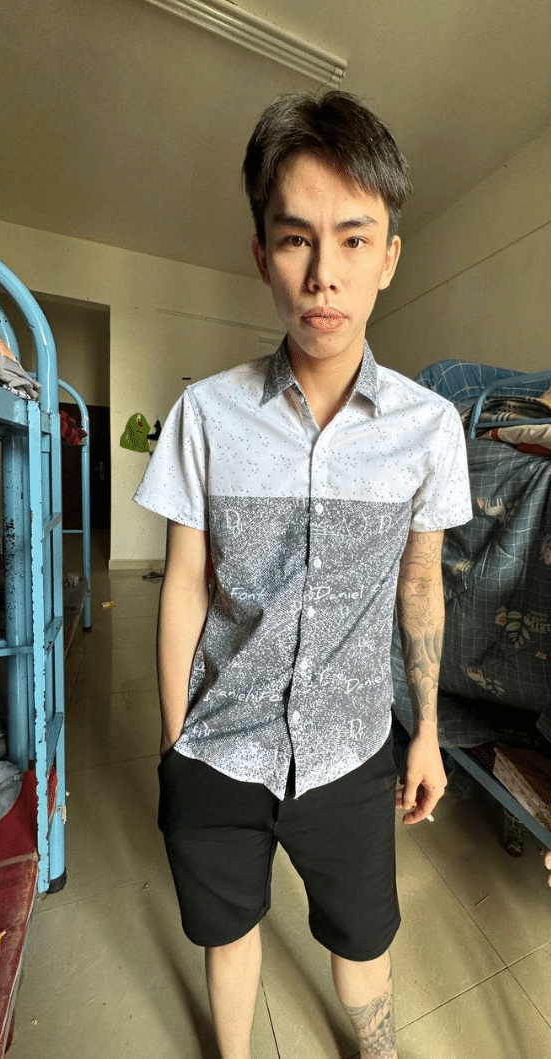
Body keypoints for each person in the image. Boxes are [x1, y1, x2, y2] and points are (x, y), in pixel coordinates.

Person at [134, 91, 472, 1059]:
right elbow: (185, 581)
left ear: (388, 257)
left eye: (353, 239)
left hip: (350, 750)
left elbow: (420, 584)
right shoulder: (205, 415)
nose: (324, 273)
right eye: (295, 239)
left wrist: (426, 734)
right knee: (226, 932)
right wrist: (175, 742)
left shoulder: (429, 429)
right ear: (261, 254)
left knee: (364, 941)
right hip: (219, 748)